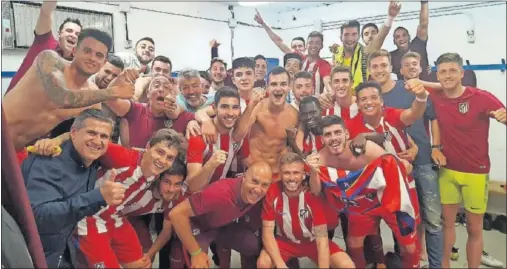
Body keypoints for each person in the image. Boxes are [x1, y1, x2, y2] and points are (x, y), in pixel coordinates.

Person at [3, 28, 139, 160]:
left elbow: (84, 130)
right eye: (87, 51)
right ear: (74, 51)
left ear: (103, 63)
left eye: (99, 55)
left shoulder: (93, 97)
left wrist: (57, 140)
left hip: (17, 150)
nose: (92, 58)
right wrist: (113, 91)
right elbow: (61, 97)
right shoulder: (50, 61)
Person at [308, 115, 418, 268]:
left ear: (346, 134)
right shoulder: (320, 159)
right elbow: (316, 191)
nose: (333, 138)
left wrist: (405, 163)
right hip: (360, 204)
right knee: (354, 243)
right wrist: (313, 172)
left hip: (386, 198)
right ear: (322, 140)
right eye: (328, 134)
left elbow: (395, 164)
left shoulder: (366, 148)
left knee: (409, 245)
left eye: (337, 132)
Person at [429, 53, 506, 268]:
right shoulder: (435, 96)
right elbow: (416, 84)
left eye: (453, 70)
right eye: (443, 71)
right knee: (447, 225)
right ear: (437, 74)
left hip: (476, 171)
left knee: (474, 228)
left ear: (462, 73)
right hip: (447, 170)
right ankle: (444, 264)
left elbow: (504, 114)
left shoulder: (481, 97)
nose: (448, 76)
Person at [22, 109, 126, 268]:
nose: (97, 141)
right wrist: (98, 197)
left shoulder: (92, 158)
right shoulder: (49, 162)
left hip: (62, 248)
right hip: (31, 254)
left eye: (104, 136)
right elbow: (38, 217)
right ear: (74, 133)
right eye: (91, 133)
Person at [75, 128, 182, 268]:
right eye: (160, 152)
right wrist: (53, 142)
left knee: (142, 265)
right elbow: (81, 138)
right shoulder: (123, 157)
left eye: (170, 158)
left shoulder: (156, 173)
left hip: (114, 216)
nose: (162, 161)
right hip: (88, 217)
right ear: (148, 147)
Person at [390, 51, 444, 267]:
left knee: (432, 219)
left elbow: (434, 120)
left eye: (415, 63)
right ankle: (404, 261)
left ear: (421, 68)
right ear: (400, 70)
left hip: (423, 161)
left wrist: (436, 147)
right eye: (407, 64)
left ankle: (435, 265)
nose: (411, 67)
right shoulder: (391, 93)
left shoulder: (425, 93)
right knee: (401, 217)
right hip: (397, 162)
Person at [256, 152, 354, 269]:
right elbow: (267, 233)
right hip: (284, 242)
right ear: (280, 174)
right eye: (287, 173)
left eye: (296, 173)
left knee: (347, 265)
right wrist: (280, 265)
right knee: (263, 264)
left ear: (303, 174)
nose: (291, 178)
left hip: (312, 242)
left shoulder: (311, 194)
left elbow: (322, 239)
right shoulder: (273, 191)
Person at [169, 161, 273, 269]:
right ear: (244, 177)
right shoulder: (220, 193)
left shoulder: (261, 196)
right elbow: (176, 214)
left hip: (221, 226)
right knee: (199, 264)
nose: (258, 189)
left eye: (264, 184)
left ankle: (222, 251)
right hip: (197, 226)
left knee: (252, 244)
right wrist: (196, 253)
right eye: (254, 181)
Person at [104, 73, 203, 149]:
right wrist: (121, 77)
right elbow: (108, 99)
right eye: (156, 85)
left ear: (173, 95)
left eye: (166, 87)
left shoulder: (180, 115)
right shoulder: (136, 109)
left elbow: (204, 118)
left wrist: (193, 122)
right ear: (148, 93)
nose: (161, 89)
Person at [232, 67, 298, 178]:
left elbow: (296, 148)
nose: (278, 88)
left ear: (289, 87)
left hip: (279, 173)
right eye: (274, 84)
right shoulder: (257, 108)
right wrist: (251, 105)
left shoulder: (294, 115)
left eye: (283, 84)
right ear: (267, 87)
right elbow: (237, 136)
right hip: (255, 170)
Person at [5, 0, 81, 94]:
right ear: (59, 34)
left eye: (77, 34)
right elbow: (45, 12)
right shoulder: (45, 41)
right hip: (12, 104)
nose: (73, 35)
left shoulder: (76, 65)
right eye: (69, 31)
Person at [49, 53, 125, 141]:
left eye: (115, 76)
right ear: (100, 67)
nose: (109, 78)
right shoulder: (82, 86)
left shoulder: (118, 99)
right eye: (107, 72)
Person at [331, 1, 401, 90]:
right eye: (346, 35)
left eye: (354, 34)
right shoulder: (336, 53)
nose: (350, 38)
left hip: (361, 99)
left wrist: (390, 17)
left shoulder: (365, 52)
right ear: (341, 37)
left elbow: (379, 39)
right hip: (341, 98)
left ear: (358, 37)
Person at [186, 87, 244, 193]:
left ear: (240, 110)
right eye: (224, 107)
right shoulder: (198, 135)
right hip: (192, 198)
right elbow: (192, 186)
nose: (230, 113)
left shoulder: (238, 134)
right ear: (214, 108)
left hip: (217, 195)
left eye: (235, 107)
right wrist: (210, 165)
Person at [390, 1, 430, 81]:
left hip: (426, 86)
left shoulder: (418, 45)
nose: (401, 39)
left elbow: (423, 24)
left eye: (404, 35)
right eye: (397, 37)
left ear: (409, 37)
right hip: (404, 90)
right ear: (394, 41)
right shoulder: (391, 57)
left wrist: (424, 3)